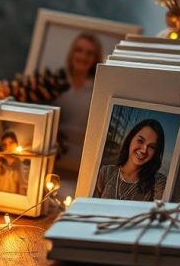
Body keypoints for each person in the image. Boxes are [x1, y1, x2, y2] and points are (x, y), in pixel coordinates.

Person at [55, 33, 104, 172]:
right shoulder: (55, 82)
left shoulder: (99, 89)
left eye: (89, 53)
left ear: (95, 58)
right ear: (72, 53)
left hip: (81, 162)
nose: (83, 57)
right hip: (52, 154)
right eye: (79, 50)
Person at [94, 118, 166, 201]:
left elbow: (158, 212)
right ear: (130, 139)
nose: (144, 150)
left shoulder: (158, 183)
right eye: (140, 141)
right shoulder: (106, 173)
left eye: (152, 147)